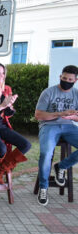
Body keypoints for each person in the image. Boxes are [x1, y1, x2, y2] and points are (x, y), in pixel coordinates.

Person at [35, 65, 78, 206]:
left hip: (69, 126)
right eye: (64, 78)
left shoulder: (76, 94)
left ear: (75, 80)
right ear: (60, 77)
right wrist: (60, 114)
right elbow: (38, 115)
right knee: (46, 153)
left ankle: (61, 166)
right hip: (49, 126)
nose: (66, 81)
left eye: (70, 79)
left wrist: (73, 116)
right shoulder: (48, 93)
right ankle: (43, 187)